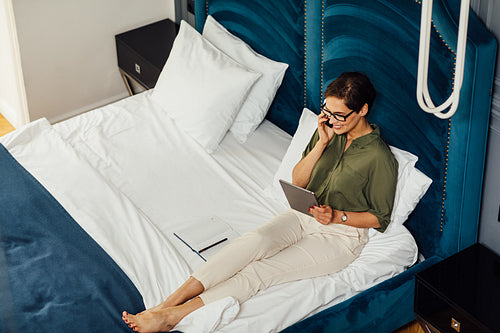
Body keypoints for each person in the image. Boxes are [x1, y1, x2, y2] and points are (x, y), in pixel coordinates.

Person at [122, 71, 398, 332]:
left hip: (340, 236)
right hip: (304, 213)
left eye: (340, 115)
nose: (331, 119)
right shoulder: (328, 131)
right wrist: (321, 143)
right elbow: (299, 181)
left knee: (260, 272)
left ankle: (173, 316)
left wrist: (337, 216)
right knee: (252, 243)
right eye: (327, 111)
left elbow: (380, 218)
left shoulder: (378, 157)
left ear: (362, 110)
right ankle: (167, 302)